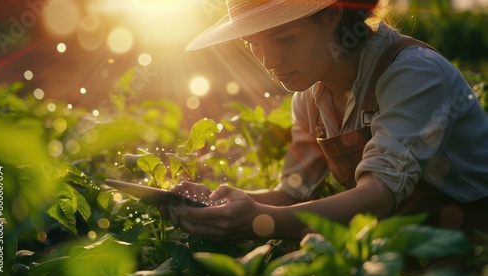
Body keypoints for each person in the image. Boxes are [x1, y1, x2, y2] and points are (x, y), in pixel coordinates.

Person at [167, 0, 488, 243]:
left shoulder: (414, 74)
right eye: (253, 44)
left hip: (469, 241)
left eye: (285, 38)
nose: (268, 61)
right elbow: (292, 194)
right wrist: (215, 202)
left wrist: (261, 220)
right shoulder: (310, 99)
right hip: (403, 247)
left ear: (333, 14)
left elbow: (378, 193)